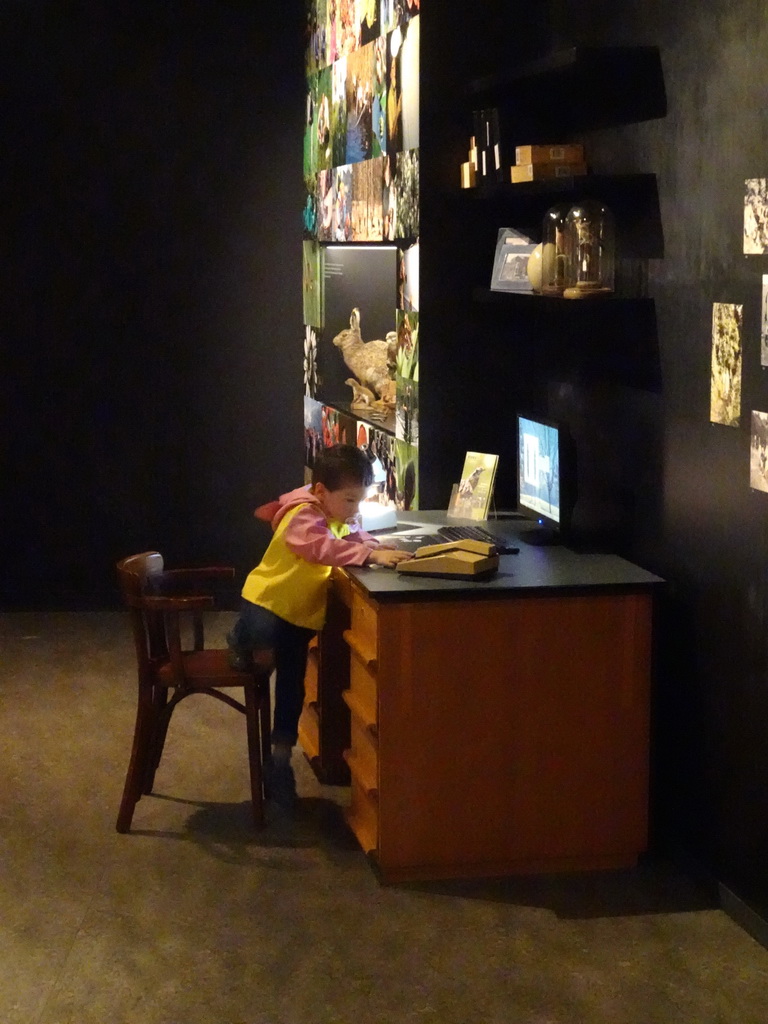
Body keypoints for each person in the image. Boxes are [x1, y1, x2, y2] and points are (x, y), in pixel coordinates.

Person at [227, 444, 411, 808]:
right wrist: (369, 554)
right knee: (261, 632)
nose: (355, 509)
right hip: (267, 602)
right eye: (349, 500)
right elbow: (319, 548)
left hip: (300, 617)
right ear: (321, 491)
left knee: (293, 689)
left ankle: (280, 757)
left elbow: (354, 534)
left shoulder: (336, 512)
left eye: (360, 500)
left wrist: (376, 546)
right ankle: (238, 638)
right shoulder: (303, 515)